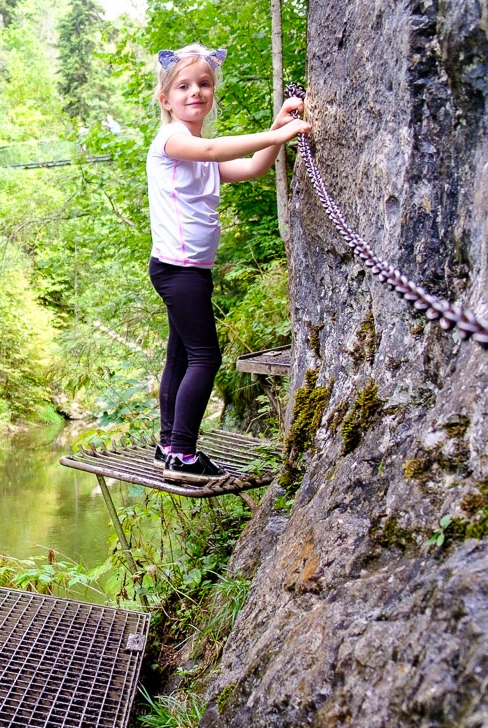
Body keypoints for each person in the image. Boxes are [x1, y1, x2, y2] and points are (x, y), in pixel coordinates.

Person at [146, 44, 310, 483]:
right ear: (166, 100)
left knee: (181, 354)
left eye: (203, 84)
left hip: (187, 270)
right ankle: (182, 454)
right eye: (183, 86)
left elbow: (253, 167)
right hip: (178, 271)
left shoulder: (196, 151)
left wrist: (277, 129)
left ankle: (168, 444)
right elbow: (218, 149)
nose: (195, 92)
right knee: (205, 357)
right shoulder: (172, 141)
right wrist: (276, 135)